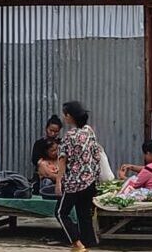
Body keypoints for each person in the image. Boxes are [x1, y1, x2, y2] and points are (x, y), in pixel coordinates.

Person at [54, 101, 101, 251]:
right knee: (83, 214)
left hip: (73, 182)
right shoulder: (89, 131)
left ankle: (77, 243)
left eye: (65, 114)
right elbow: (96, 154)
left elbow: (62, 159)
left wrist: (58, 181)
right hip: (89, 181)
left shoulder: (70, 136)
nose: (64, 117)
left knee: (61, 213)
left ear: (70, 116)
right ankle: (89, 243)